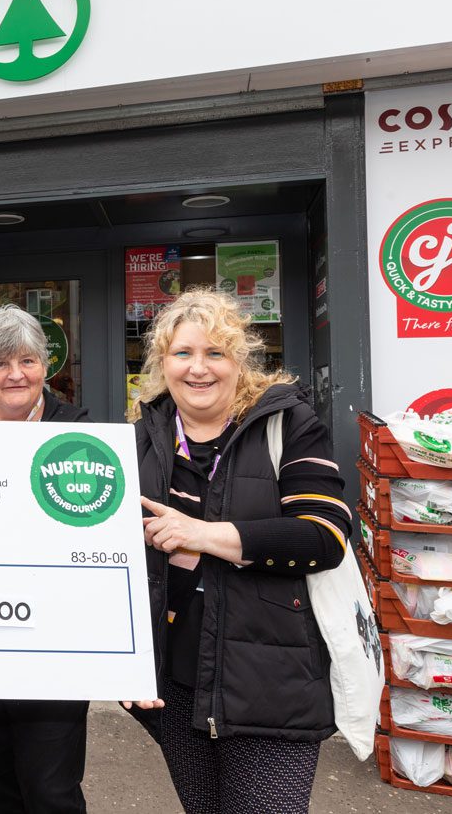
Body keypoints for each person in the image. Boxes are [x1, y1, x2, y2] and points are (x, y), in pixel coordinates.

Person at [130, 288, 350, 814]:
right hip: (178, 680)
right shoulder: (142, 437)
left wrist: (201, 535)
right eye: (183, 353)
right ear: (164, 363)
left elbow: (325, 533)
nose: (198, 368)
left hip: (270, 682)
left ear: (240, 360)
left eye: (215, 353)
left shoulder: (287, 425)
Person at [0, 304, 91, 814]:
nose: (15, 374)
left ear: (45, 366)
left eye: (28, 361)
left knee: (51, 789)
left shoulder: (80, 431)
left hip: (51, 636)